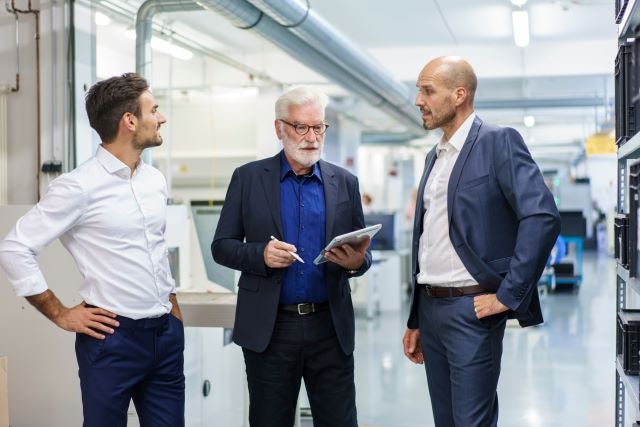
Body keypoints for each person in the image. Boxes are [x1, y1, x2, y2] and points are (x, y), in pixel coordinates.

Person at [0, 73, 185, 427]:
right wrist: (59, 313)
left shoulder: (154, 180)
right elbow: (14, 248)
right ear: (129, 121)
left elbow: (154, 251)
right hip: (111, 339)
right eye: (154, 110)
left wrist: (172, 305)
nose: (161, 117)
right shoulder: (78, 186)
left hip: (165, 334)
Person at [401, 56, 560, 427]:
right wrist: (416, 319)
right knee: (446, 420)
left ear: (460, 95)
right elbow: (431, 239)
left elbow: (542, 216)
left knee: (471, 422)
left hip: (472, 310)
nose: (418, 100)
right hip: (431, 308)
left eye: (427, 90)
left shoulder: (497, 142)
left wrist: (508, 294)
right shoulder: (434, 157)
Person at [212, 86, 372, 427]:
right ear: (279, 128)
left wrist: (357, 263)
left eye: (319, 127)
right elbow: (221, 245)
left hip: (330, 327)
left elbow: (361, 253)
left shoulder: (344, 182)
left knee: (340, 421)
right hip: (270, 329)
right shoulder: (249, 178)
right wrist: (261, 254)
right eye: (302, 127)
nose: (312, 137)